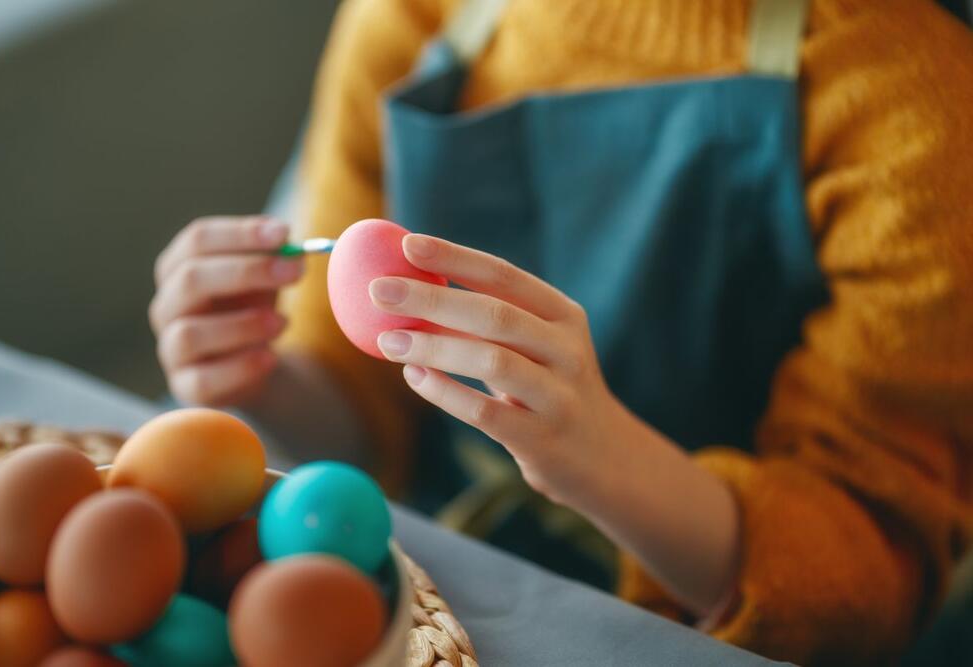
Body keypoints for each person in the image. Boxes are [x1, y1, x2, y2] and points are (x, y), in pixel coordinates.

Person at [147, 0, 973, 663]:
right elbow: (358, 412)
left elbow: (875, 576)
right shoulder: (411, 18)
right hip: (424, 596)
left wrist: (607, 462)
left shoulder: (908, 96)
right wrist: (260, 379)